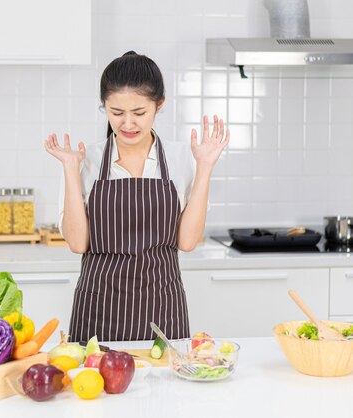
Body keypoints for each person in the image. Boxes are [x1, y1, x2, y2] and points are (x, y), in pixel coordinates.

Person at [44, 51, 230, 342]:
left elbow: (187, 242)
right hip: (98, 311)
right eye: (116, 113)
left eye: (139, 113)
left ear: (159, 105)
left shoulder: (183, 157)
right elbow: (78, 243)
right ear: (104, 107)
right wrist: (70, 169)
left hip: (163, 310)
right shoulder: (84, 159)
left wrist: (205, 166)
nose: (127, 124)